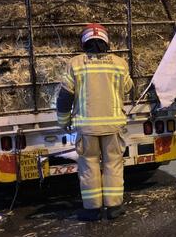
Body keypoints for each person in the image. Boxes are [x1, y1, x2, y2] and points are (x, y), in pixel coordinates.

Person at [56, 23, 133, 222]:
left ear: (84, 43)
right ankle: (114, 207)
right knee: (114, 164)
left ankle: (92, 210)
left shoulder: (75, 63)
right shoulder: (120, 63)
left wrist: (63, 121)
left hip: (87, 127)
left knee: (88, 165)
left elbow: (65, 96)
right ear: (107, 42)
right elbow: (127, 88)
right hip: (113, 126)